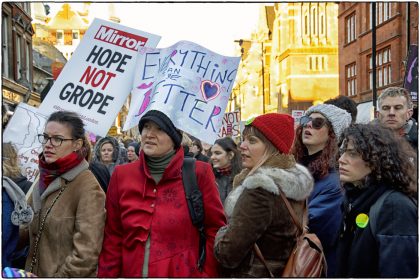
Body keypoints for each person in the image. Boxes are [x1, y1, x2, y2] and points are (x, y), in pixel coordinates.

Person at [97, 110, 226, 277]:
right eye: (146, 127)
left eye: (159, 129)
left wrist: (206, 275)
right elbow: (113, 237)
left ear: (174, 138)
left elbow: (214, 230)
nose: (149, 134)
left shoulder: (199, 172)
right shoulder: (122, 175)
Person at [214, 113, 314, 277]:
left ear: (273, 148)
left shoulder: (260, 190)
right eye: (244, 139)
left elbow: (227, 255)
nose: (242, 146)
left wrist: (222, 231)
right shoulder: (292, 181)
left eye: (252, 141)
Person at [21, 110, 106, 277]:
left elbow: (85, 257)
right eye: (45, 137)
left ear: (77, 144)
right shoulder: (43, 178)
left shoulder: (88, 188)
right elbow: (25, 232)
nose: (48, 144)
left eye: (57, 139)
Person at [336, 123, 417, 277]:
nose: (341, 159)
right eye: (342, 152)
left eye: (352, 154)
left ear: (376, 159)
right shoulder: (354, 197)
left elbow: (398, 271)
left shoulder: (394, 205)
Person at [292, 103, 351, 276]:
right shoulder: (295, 168)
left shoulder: (335, 182)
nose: (308, 125)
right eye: (306, 120)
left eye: (318, 123)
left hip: (315, 267)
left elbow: (314, 230)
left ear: (332, 134)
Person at [210, 137, 242, 204]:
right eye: (212, 153)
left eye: (217, 153)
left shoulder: (242, 177)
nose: (212, 157)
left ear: (230, 155)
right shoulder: (208, 176)